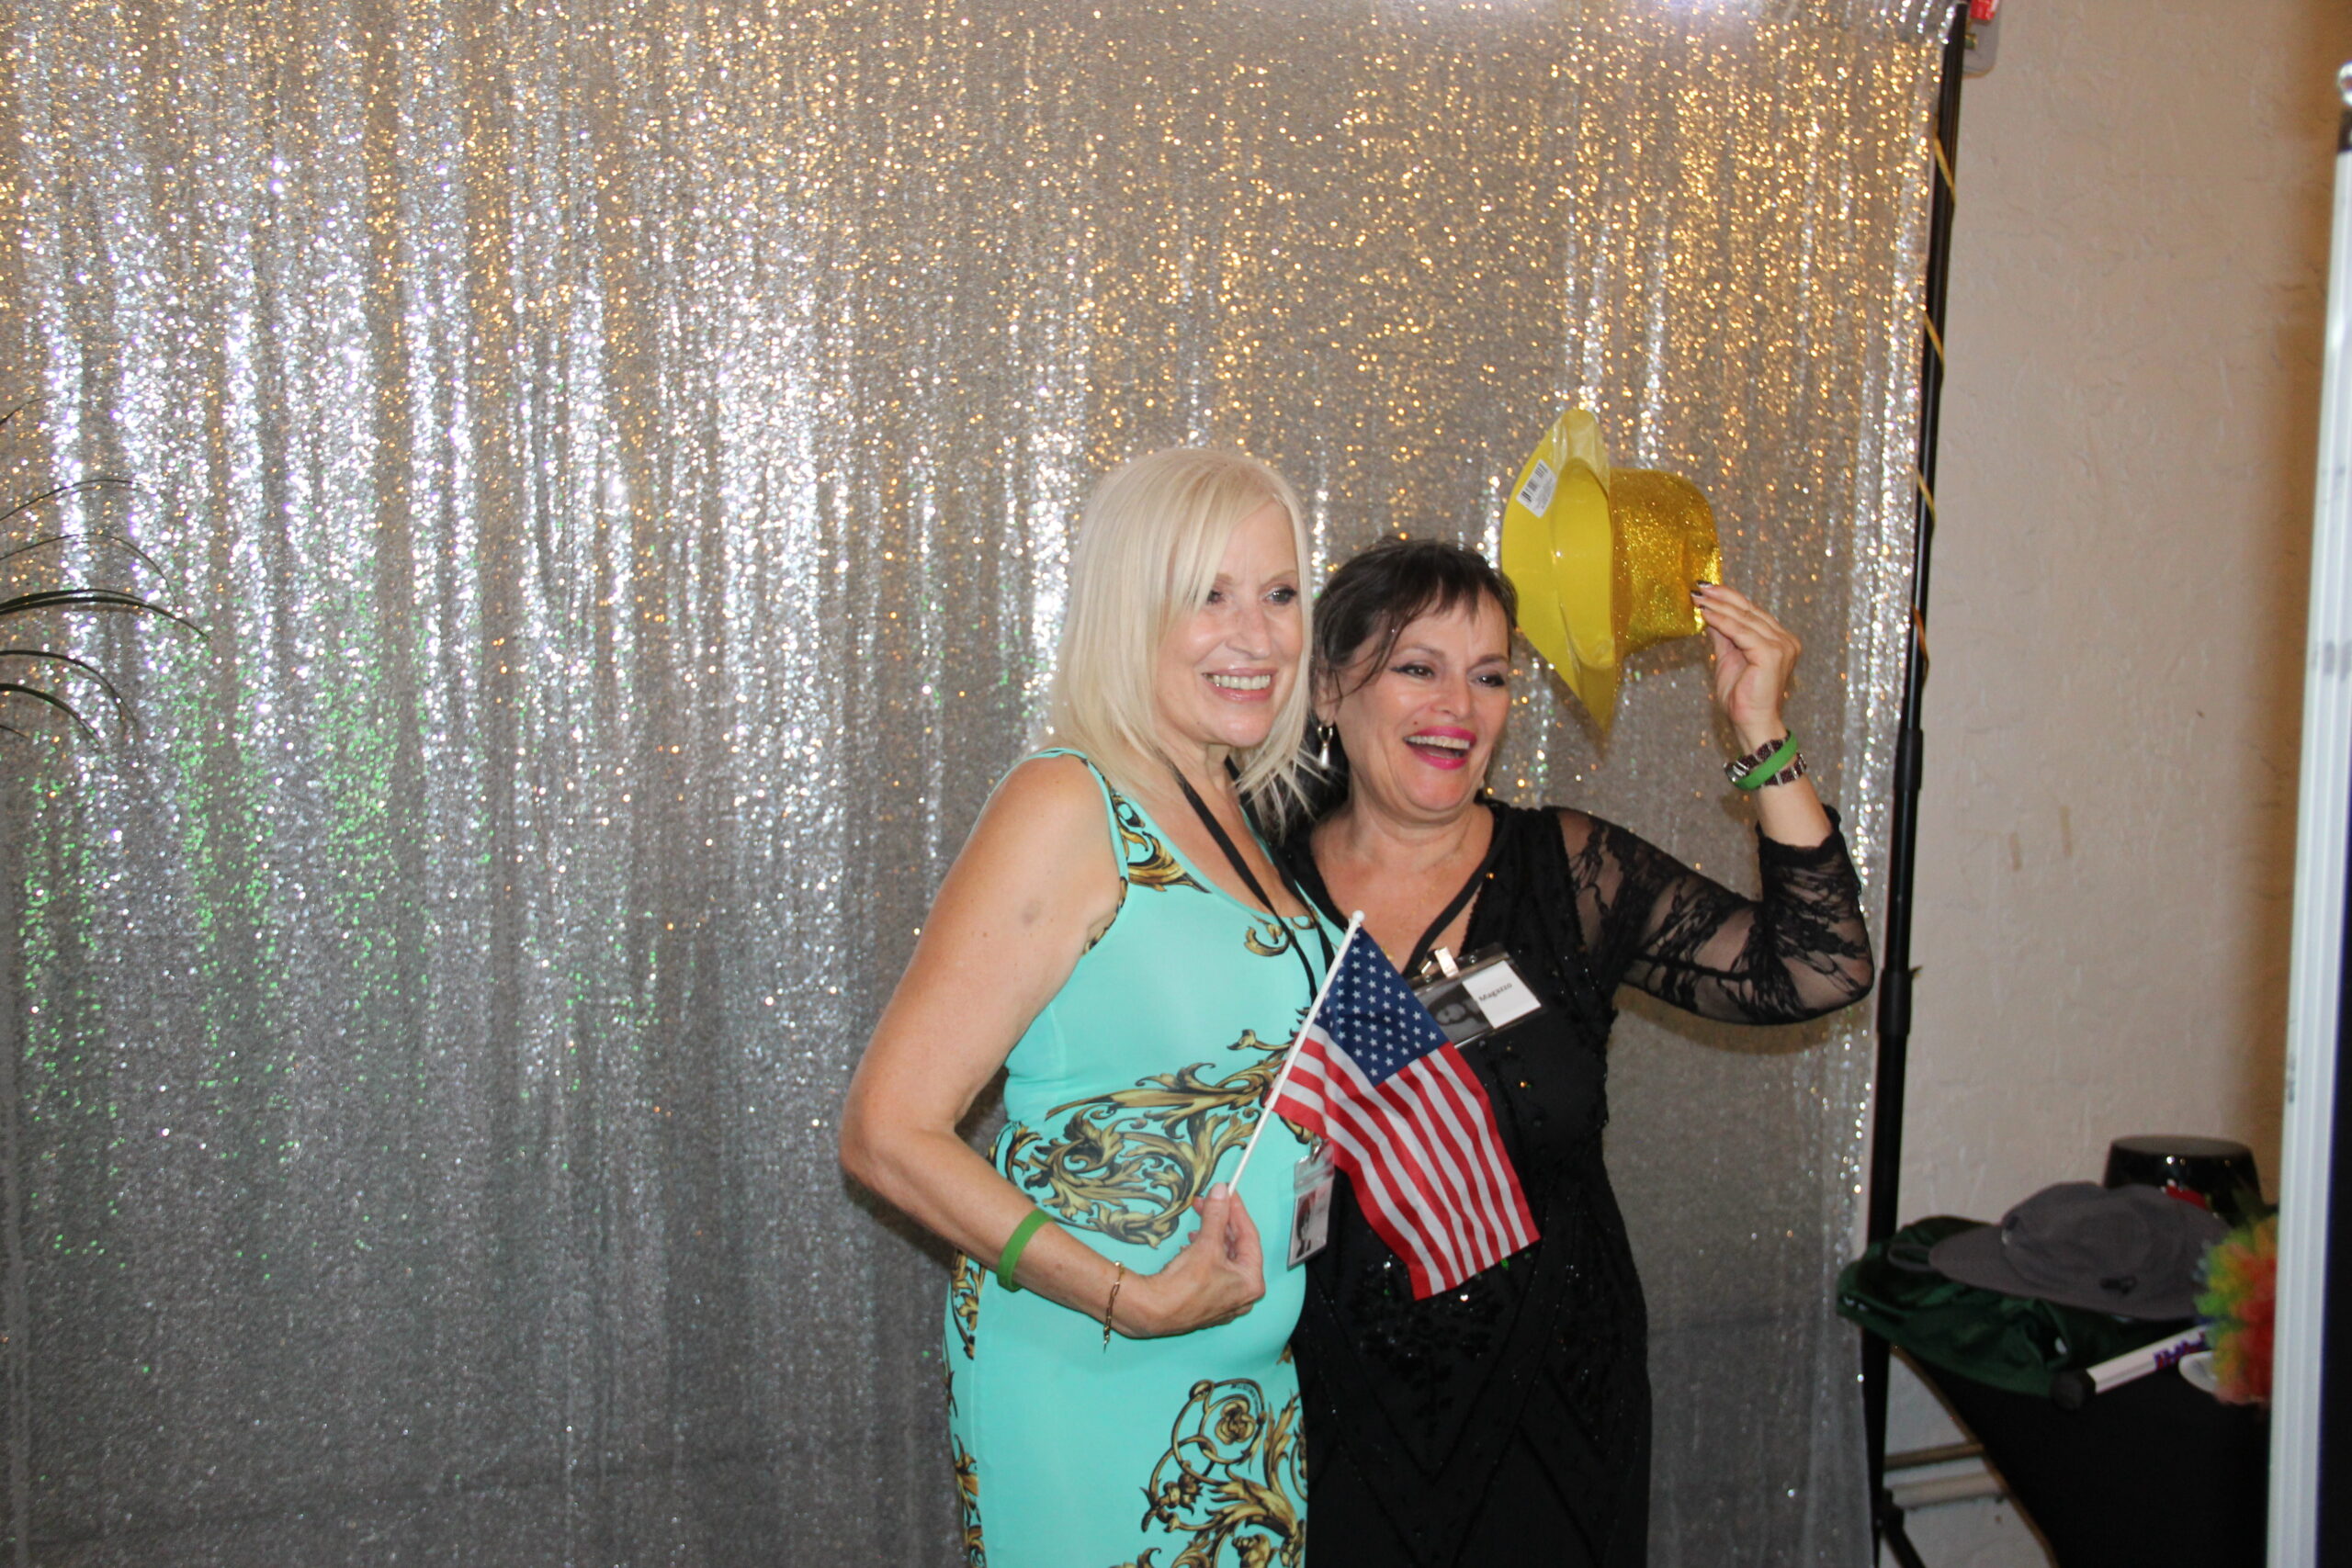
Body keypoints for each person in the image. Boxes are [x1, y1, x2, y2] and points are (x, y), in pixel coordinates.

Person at [1273, 538, 1874, 1568]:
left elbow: (1818, 968)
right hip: (1320, 1405)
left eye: (1490, 675)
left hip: (1551, 1405)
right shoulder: (1252, 883)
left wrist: (1762, 731)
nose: (1458, 707)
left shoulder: (1568, 870)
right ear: (1329, 687)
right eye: (1418, 667)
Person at [839, 447, 1333, 1568]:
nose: (1256, 636)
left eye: (1278, 593)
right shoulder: (1068, 802)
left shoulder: (1234, 807)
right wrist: (1126, 1297)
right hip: (1090, 1374)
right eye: (1207, 594)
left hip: (1242, 1398)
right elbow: (885, 1131)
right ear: (1127, 606)